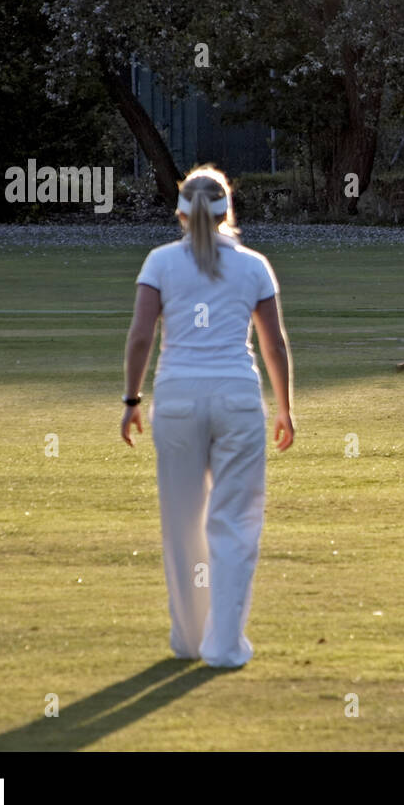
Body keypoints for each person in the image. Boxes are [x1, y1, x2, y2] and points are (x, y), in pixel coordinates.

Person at [120, 165, 295, 669]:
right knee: (234, 521)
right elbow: (273, 343)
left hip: (176, 398)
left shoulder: (160, 262)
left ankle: (189, 639)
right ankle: (223, 645)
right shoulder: (253, 265)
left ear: (179, 212)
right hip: (236, 398)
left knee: (181, 522)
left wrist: (131, 400)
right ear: (228, 211)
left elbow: (140, 336)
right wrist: (285, 407)